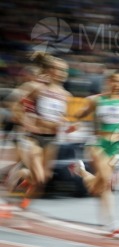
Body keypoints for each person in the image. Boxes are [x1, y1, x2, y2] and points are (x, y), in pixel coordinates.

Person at [71, 69, 119, 236]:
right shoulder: (96, 100)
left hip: (116, 147)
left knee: (97, 187)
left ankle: (81, 171)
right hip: (98, 144)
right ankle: (112, 222)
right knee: (108, 182)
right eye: (116, 81)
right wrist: (76, 121)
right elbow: (79, 115)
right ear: (109, 82)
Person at [9, 52, 72, 202]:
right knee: (38, 176)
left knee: (44, 179)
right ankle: (19, 177)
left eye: (65, 71)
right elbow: (15, 107)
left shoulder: (66, 95)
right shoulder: (36, 88)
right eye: (59, 69)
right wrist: (26, 122)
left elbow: (60, 117)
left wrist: (66, 124)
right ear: (50, 70)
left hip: (52, 140)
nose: (62, 74)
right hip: (34, 138)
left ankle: (24, 191)